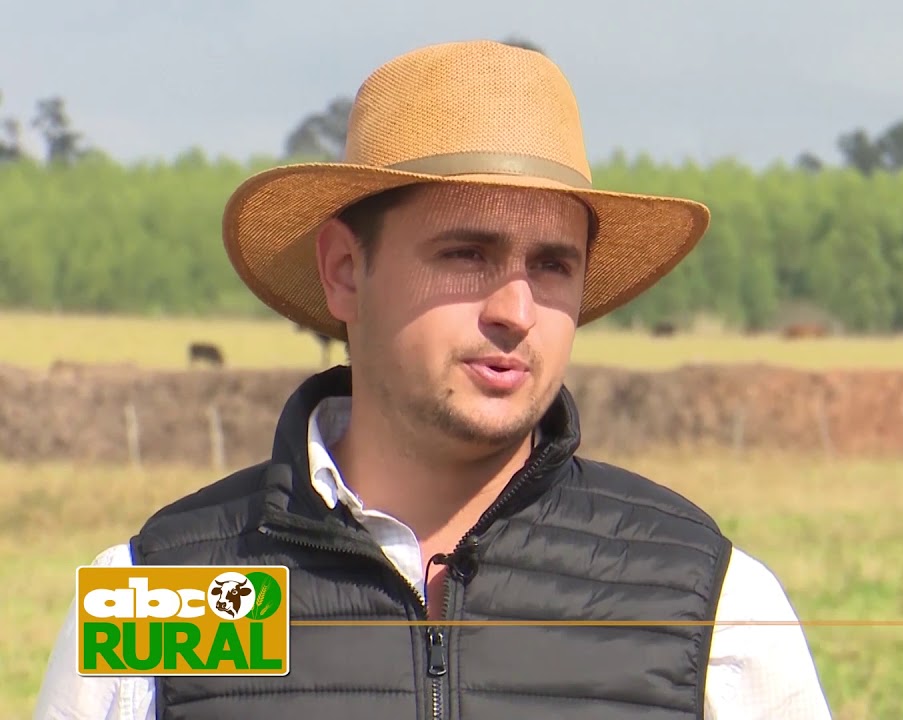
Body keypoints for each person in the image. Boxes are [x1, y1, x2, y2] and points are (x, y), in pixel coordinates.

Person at [33, 39, 833, 720]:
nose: (516, 310)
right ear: (345, 271)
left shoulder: (709, 604)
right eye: (467, 254)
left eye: (553, 266)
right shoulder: (160, 590)